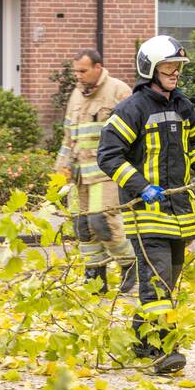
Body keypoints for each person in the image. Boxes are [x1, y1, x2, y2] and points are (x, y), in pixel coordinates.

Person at [97, 35, 195, 374]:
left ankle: (142, 340)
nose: (174, 73)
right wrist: (141, 187)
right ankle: (164, 351)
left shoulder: (184, 106)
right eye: (168, 67)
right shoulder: (132, 109)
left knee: (165, 282)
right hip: (146, 213)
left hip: (180, 215)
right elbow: (109, 156)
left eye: (177, 68)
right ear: (150, 69)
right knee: (157, 282)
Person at [54, 48, 136, 294]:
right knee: (82, 226)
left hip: (106, 173)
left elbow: (134, 133)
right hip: (80, 175)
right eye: (75, 71)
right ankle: (95, 277)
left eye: (82, 71)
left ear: (98, 67)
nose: (78, 76)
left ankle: (129, 264)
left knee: (102, 220)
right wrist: (60, 170)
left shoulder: (119, 91)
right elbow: (68, 137)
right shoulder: (76, 96)